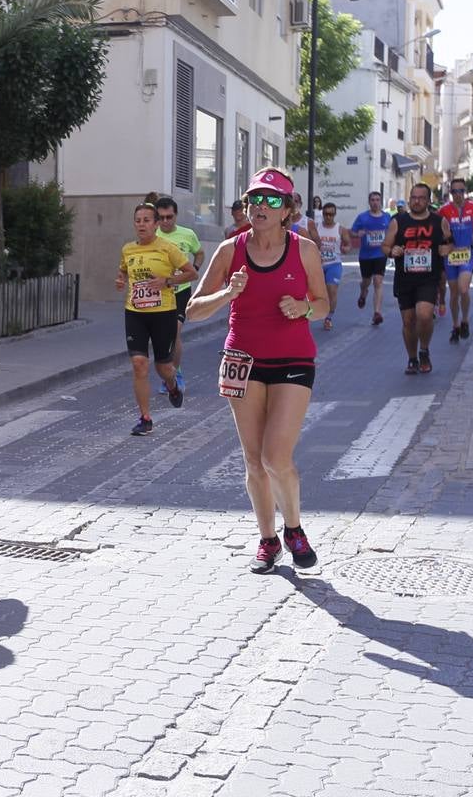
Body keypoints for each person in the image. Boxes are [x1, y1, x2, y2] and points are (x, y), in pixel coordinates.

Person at [187, 167, 326, 575]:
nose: (261, 207)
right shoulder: (230, 250)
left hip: (293, 360)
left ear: (288, 210)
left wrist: (302, 308)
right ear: (246, 207)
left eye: (272, 200)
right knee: (253, 460)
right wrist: (227, 294)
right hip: (242, 362)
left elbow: (322, 305)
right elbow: (194, 310)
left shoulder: (304, 250)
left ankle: (294, 528)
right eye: (255, 200)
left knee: (275, 455)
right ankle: (268, 540)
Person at [116, 196, 197, 435]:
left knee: (164, 368)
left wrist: (168, 281)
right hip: (135, 313)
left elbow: (191, 272)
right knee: (139, 364)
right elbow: (123, 270)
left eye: (146, 220)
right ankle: (145, 418)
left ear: (155, 224)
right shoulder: (128, 249)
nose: (142, 225)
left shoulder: (167, 248)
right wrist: (121, 279)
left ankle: (172, 387)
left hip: (163, 314)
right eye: (138, 221)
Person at [381, 183, 453, 375]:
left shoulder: (439, 222)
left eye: (421, 198)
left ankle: (424, 350)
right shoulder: (398, 221)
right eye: (413, 197)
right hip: (404, 279)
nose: (417, 201)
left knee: (424, 314)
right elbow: (386, 246)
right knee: (408, 322)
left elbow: (449, 243)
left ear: (428, 201)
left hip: (429, 277)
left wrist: (447, 249)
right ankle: (412, 358)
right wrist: (391, 251)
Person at [155, 196, 205, 391]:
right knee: (161, 336)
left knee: (174, 332)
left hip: (180, 291)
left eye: (169, 217)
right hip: (159, 292)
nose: (166, 222)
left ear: (176, 215)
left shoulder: (187, 234)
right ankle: (167, 374)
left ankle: (176, 373)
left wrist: (194, 268)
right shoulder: (152, 236)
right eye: (161, 218)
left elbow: (199, 252)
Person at [437, 177, 473, 343]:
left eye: (461, 191)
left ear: (465, 191)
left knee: (464, 289)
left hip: (467, 253)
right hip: (450, 256)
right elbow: (437, 232)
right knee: (454, 294)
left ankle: (465, 320)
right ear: (450, 193)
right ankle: (455, 325)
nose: (458, 194)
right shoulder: (443, 211)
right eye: (454, 191)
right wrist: (444, 243)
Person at [350, 190, 391, 326]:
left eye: (377, 200)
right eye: (372, 200)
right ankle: (363, 293)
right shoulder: (362, 217)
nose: (375, 202)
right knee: (366, 281)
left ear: (381, 202)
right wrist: (358, 234)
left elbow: (392, 233)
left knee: (378, 281)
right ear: (369, 202)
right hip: (366, 256)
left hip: (380, 254)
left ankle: (377, 313)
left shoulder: (387, 217)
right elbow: (352, 232)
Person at [315, 202, 348, 330]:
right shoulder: (316, 227)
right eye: (326, 214)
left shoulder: (340, 229)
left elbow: (348, 244)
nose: (328, 217)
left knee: (332, 290)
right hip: (318, 264)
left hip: (334, 263)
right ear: (322, 214)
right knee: (314, 291)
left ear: (335, 214)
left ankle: (328, 318)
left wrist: (346, 248)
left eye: (331, 214)